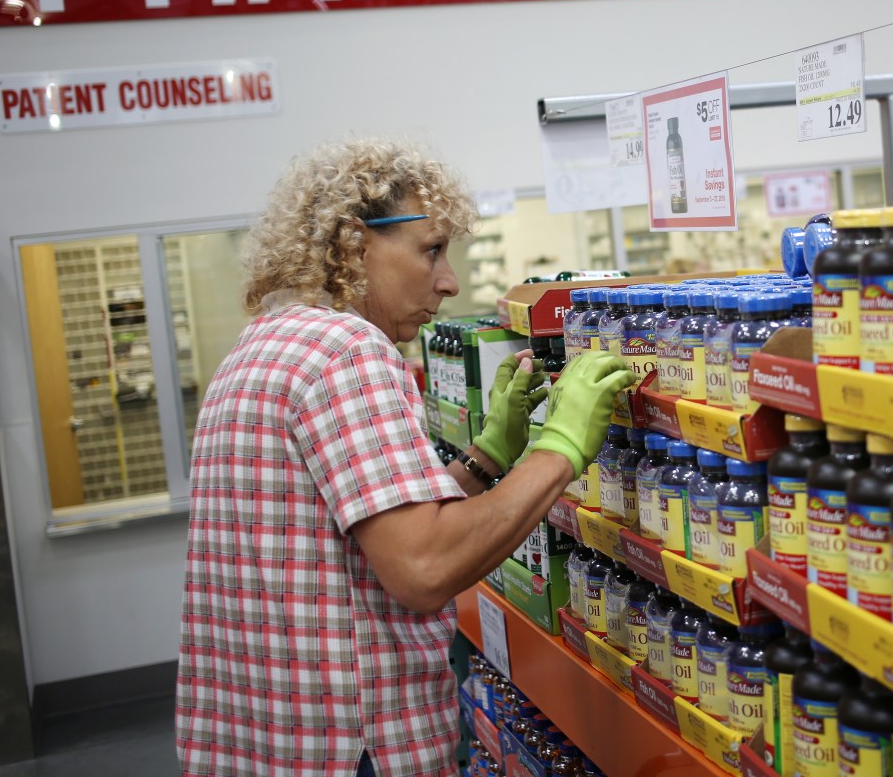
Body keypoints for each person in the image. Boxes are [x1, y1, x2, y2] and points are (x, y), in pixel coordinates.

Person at [175, 141, 634, 777]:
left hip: (264, 741)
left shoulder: (263, 346)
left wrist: (484, 459)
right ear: (355, 245)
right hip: (355, 745)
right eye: (432, 250)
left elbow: (357, 534)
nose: (449, 281)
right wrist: (559, 447)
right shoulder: (348, 351)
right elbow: (422, 565)